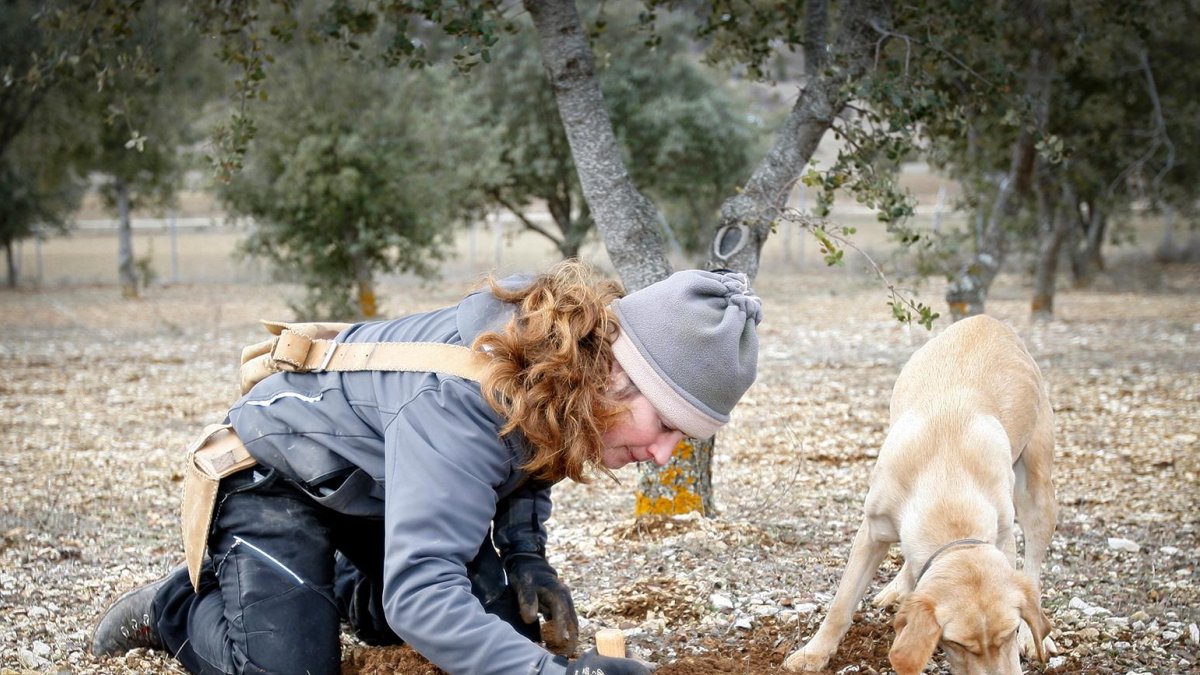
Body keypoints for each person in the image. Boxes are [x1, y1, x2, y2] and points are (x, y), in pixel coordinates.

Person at [90, 260, 762, 675]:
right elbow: (422, 596)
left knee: (499, 625)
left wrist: (526, 557)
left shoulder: (567, 369)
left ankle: (330, 588)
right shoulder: (460, 401)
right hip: (275, 470)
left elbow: (531, 448)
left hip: (376, 480)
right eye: (666, 425)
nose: (663, 454)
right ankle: (175, 607)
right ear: (617, 374)